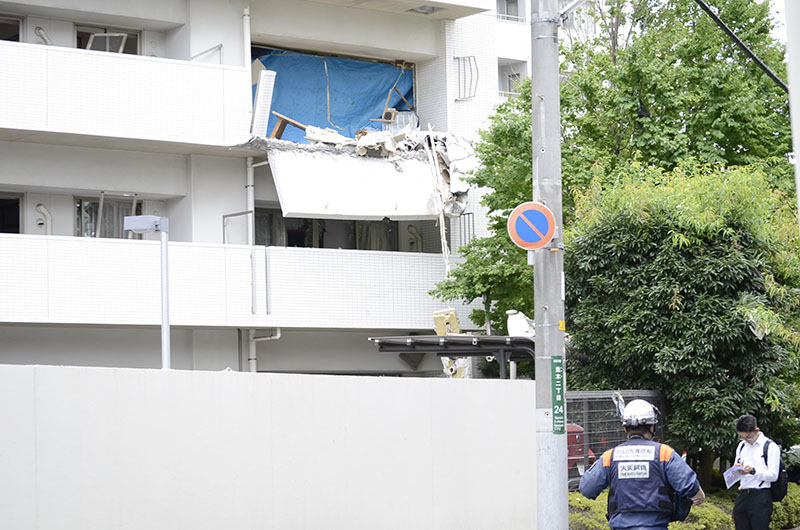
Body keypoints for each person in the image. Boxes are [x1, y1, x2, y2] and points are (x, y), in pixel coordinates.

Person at [579, 399, 706, 530]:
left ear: (625, 428)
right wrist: (699, 496)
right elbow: (690, 485)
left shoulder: (610, 456)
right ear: (652, 427)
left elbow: (587, 488)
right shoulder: (664, 453)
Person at [732, 414, 780, 530]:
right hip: (743, 494)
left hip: (761, 495)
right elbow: (736, 466)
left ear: (756, 430)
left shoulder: (770, 446)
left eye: (748, 437)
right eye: (742, 437)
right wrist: (737, 470)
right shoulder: (742, 446)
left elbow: (773, 475)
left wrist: (753, 471)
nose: (745, 440)